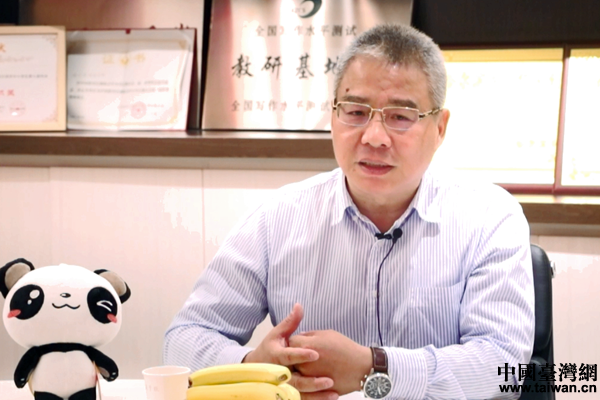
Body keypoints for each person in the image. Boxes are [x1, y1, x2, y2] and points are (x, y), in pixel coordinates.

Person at [164, 24, 534, 400]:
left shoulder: (489, 218)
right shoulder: (277, 218)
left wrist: (372, 368)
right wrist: (254, 367)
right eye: (356, 112)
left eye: (400, 117)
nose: (374, 137)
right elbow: (183, 340)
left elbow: (504, 365)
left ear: (440, 128)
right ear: (333, 116)